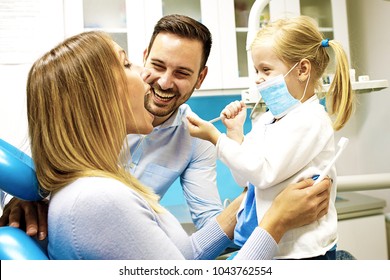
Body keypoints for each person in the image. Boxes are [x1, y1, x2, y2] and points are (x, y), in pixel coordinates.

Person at [23, 30, 331, 260]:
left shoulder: (104, 183)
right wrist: (276, 222)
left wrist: (249, 201)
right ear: (99, 97)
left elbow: (183, 257)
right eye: (129, 64)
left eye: (182, 72)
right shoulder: (99, 200)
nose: (149, 76)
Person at [0, 14, 221, 236]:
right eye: (157, 65)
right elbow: (23, 162)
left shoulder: (197, 137)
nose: (164, 82)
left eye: (181, 73)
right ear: (145, 59)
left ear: (200, 78)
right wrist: (22, 195)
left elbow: (209, 219)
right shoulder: (90, 110)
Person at [186, 15, 355, 259]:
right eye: (256, 70)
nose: (257, 78)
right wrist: (234, 135)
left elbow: (264, 173)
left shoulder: (310, 121)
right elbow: (245, 179)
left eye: (266, 70)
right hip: (273, 249)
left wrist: (216, 138)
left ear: (303, 69)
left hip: (304, 255)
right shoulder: (267, 120)